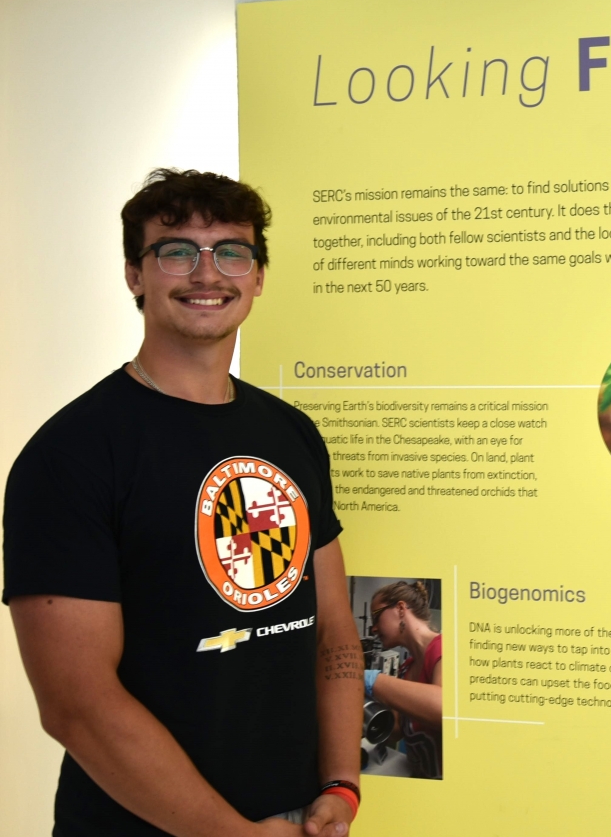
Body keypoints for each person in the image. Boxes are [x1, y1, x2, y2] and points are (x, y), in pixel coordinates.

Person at [3, 170, 363, 837]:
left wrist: (341, 786)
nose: (208, 273)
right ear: (134, 275)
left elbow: (333, 627)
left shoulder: (290, 433)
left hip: (293, 821)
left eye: (232, 251)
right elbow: (75, 704)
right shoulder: (72, 454)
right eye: (176, 251)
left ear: (257, 277)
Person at [363, 580, 443, 779]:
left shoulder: (445, 648)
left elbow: (444, 708)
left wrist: (370, 680)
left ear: (400, 609)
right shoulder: (406, 668)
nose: (373, 629)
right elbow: (396, 730)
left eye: (376, 618)